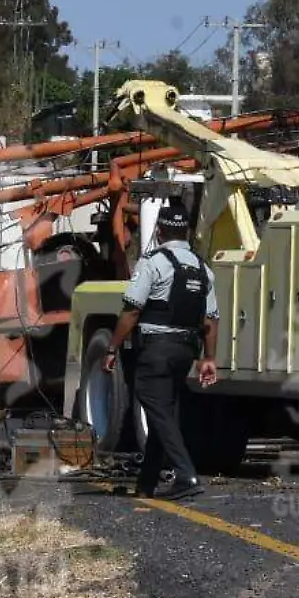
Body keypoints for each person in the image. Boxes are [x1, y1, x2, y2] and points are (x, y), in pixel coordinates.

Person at [104, 202, 220, 501]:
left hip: (156, 348)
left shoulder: (153, 262)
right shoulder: (201, 267)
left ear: (159, 231)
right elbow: (210, 320)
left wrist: (112, 347)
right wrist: (209, 358)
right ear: (187, 231)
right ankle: (146, 484)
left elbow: (131, 310)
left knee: (155, 405)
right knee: (163, 411)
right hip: (185, 350)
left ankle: (186, 474)